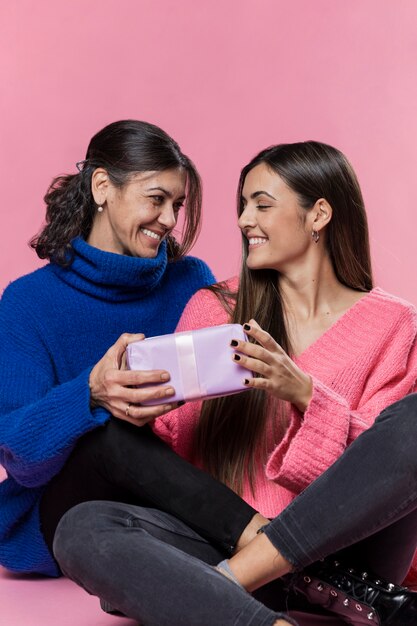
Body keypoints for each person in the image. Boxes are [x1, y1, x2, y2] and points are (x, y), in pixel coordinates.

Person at [53, 141, 417, 625]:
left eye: (262, 205)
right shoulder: (214, 308)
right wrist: (146, 413)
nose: (245, 220)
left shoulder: (396, 324)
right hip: (240, 554)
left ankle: (219, 586)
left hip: (353, 559)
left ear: (319, 215)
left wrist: (304, 394)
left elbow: (380, 476)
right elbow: (182, 469)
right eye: (243, 206)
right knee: (83, 528)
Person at [0, 119, 267, 580]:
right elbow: (19, 456)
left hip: (175, 509)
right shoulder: (28, 302)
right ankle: (277, 550)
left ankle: (282, 563)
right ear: (102, 186)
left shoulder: (191, 280)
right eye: (156, 199)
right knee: (109, 435)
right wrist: (91, 394)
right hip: (66, 511)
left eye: (177, 204)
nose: (169, 219)